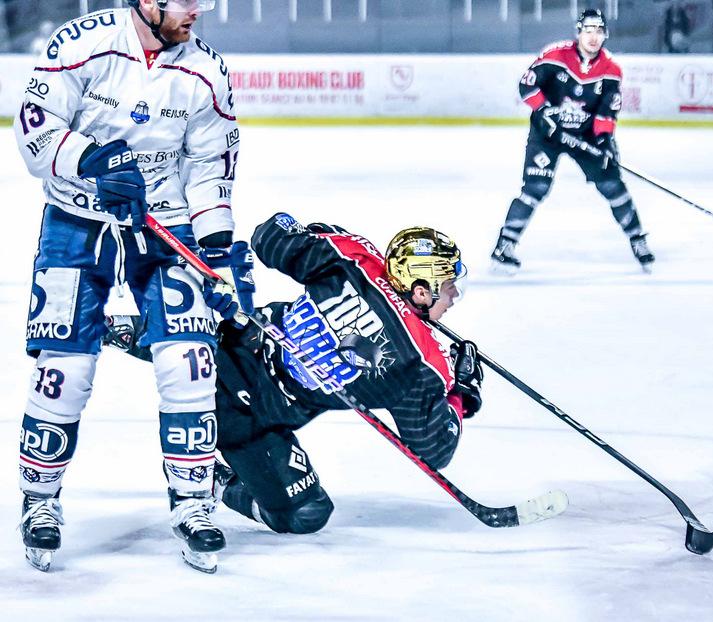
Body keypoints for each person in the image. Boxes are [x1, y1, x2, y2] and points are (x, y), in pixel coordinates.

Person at [14, 0, 245, 573]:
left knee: (189, 362)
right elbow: (35, 129)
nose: (199, 9)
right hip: (76, 221)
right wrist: (92, 161)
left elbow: (210, 160)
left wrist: (215, 238)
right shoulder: (80, 43)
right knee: (65, 369)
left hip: (166, 224)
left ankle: (193, 501)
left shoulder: (207, 70)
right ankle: (39, 499)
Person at [102, 213, 484, 536]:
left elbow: (268, 236)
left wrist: (319, 232)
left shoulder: (355, 259)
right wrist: (459, 393)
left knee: (205, 334)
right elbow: (434, 449)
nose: (454, 297)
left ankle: (127, 330)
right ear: (421, 291)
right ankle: (217, 480)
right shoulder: (422, 363)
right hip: (250, 421)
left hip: (236, 340)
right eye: (450, 287)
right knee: (305, 514)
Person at [490, 8, 653, 275]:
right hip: (547, 135)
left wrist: (604, 142)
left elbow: (606, 112)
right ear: (579, 33)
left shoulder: (611, 70)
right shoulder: (555, 55)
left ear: (605, 35)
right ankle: (505, 245)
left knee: (612, 185)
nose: (593, 37)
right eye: (588, 31)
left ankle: (638, 240)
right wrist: (544, 112)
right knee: (535, 187)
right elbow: (527, 85)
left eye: (599, 31)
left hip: (585, 136)